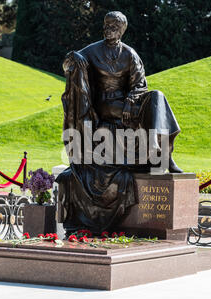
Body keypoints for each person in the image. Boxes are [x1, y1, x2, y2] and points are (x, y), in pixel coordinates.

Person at [56, 11, 183, 234]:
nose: (109, 28)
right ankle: (158, 154)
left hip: (127, 109)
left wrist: (132, 101)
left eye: (114, 25)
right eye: (106, 24)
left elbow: (140, 84)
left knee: (157, 96)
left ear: (122, 29)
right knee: (150, 99)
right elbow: (68, 64)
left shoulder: (129, 54)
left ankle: (160, 151)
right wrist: (72, 60)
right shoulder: (93, 50)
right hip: (103, 107)